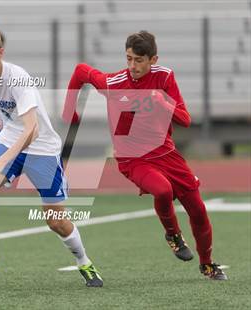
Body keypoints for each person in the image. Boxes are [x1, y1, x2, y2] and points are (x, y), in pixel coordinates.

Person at [62, 30, 227, 280]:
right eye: (128, 58)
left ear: (153, 59)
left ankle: (207, 264)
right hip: (132, 159)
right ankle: (173, 234)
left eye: (139, 60)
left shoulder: (165, 77)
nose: (132, 65)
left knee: (199, 210)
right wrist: (69, 112)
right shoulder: (114, 83)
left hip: (167, 154)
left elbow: (185, 119)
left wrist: (160, 99)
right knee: (162, 191)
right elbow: (80, 71)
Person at [0, 25, 103, 287]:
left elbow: (32, 129)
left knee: (55, 220)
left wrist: (3, 161)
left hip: (42, 148)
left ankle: (85, 262)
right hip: (10, 140)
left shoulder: (19, 80)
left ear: (0, 53)